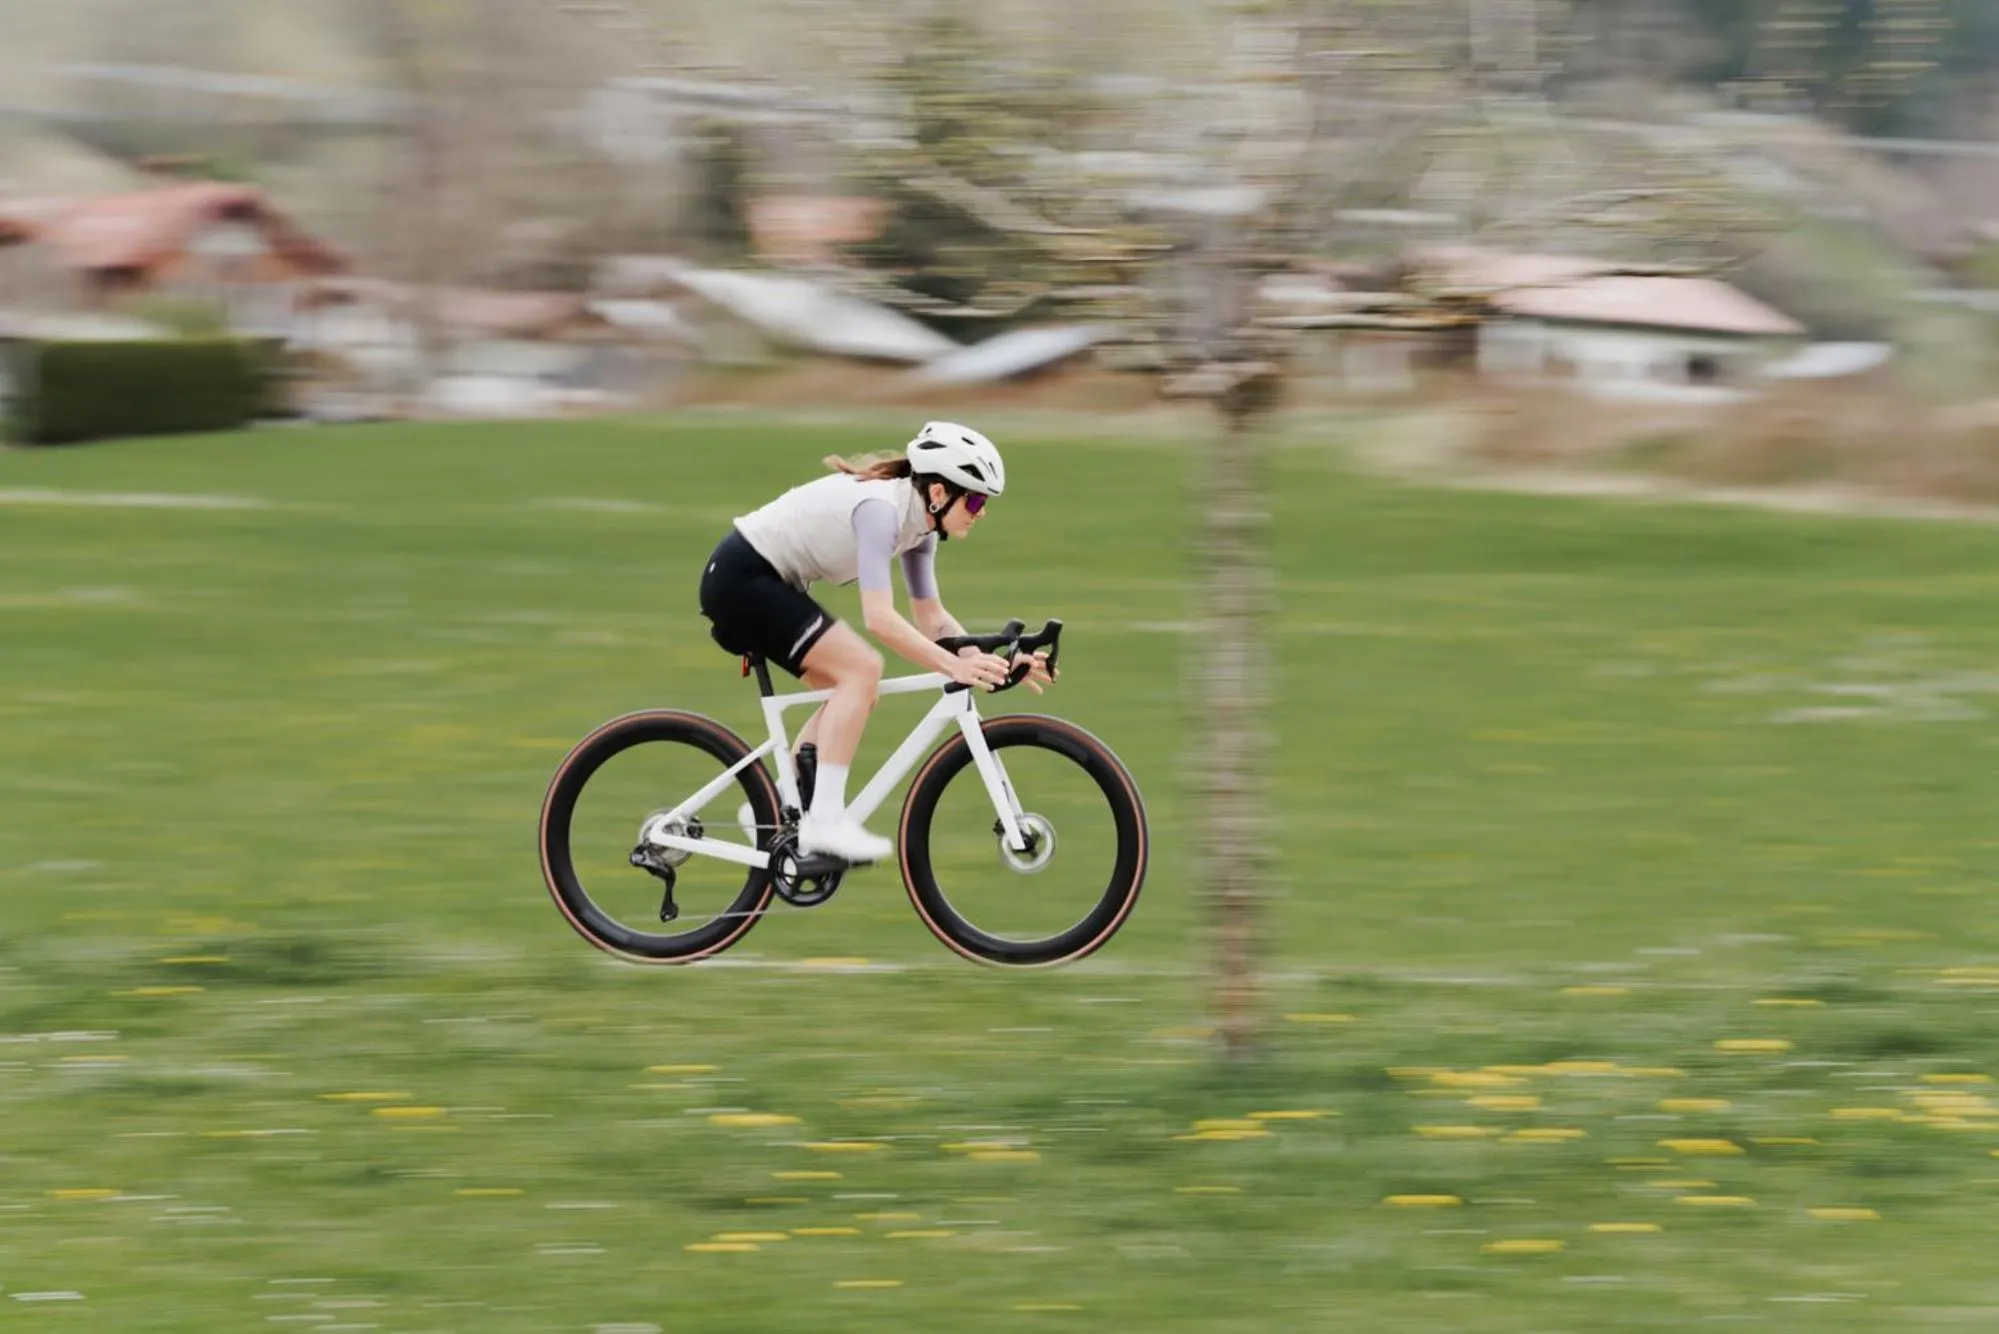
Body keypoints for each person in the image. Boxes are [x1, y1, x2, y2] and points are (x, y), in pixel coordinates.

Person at [698, 421, 1054, 863]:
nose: (981, 512)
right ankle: (825, 824)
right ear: (940, 492)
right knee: (861, 670)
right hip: (743, 578)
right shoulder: (881, 511)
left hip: (767, 581)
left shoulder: (919, 529)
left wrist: (990, 660)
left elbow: (932, 617)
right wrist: (953, 668)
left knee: (853, 689)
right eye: (976, 499)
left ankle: (772, 806)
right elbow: (880, 619)